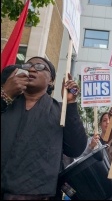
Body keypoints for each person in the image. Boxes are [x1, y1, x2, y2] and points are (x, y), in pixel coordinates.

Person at [1, 57, 87, 200]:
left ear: (51, 80)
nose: (32, 69)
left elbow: (76, 148)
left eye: (40, 67)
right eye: (28, 65)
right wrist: (4, 94)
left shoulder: (60, 110)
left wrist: (70, 103)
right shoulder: (8, 103)